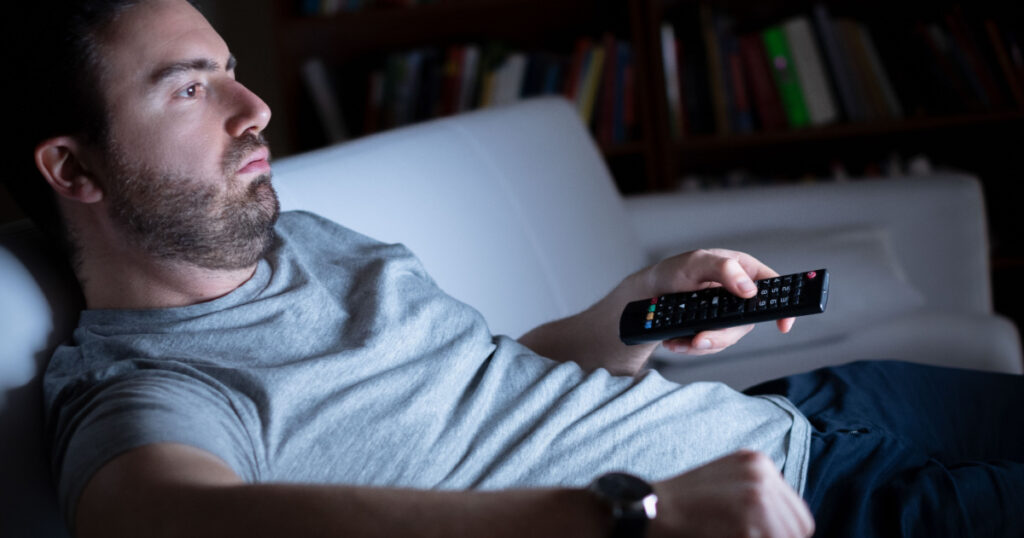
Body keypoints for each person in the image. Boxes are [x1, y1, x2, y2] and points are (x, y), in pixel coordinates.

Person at [3, 1, 1021, 537]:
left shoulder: (302, 240)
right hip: (803, 511)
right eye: (192, 90)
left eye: (231, 67)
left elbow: (490, 386)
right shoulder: (143, 391)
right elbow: (181, 522)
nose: (254, 106)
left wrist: (633, 313)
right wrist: (630, 515)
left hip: (806, 413)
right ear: (72, 166)